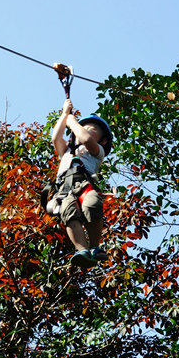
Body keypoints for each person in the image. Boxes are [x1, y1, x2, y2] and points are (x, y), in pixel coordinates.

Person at [49, 98, 113, 268]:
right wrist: (64, 115)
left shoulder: (96, 151)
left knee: (92, 204)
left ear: (103, 140)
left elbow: (85, 139)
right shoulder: (67, 151)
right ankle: (81, 249)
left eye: (91, 129)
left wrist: (73, 122)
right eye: (83, 127)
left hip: (85, 183)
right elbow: (56, 138)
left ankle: (94, 246)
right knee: (69, 214)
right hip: (66, 188)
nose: (83, 130)